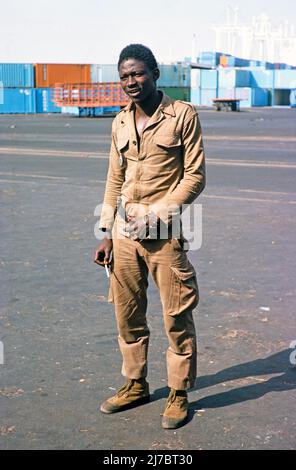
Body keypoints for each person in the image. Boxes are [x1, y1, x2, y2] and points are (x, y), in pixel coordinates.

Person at [94, 44, 206, 429]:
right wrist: (105, 232)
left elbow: (194, 176)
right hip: (124, 234)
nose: (131, 82)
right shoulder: (120, 122)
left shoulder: (182, 116)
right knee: (126, 314)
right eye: (125, 76)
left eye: (138, 73)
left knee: (176, 315)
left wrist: (158, 216)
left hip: (165, 235)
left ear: (155, 73)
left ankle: (178, 392)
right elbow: (114, 179)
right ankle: (135, 383)